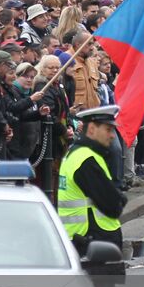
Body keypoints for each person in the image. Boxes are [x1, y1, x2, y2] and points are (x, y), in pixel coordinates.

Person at [57, 105, 127, 255]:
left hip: (80, 239)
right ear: (92, 130)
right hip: (94, 242)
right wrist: (120, 198)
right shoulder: (86, 160)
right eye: (108, 129)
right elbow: (113, 206)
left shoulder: (76, 153)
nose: (112, 135)